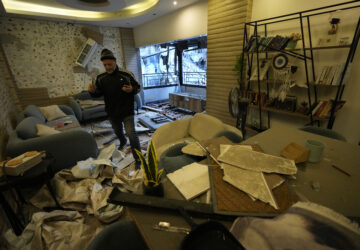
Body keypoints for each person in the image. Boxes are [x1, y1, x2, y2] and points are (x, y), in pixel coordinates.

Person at [88, 48, 141, 169]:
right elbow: (98, 94)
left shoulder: (126, 74)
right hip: (112, 111)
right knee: (117, 131)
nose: (107, 67)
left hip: (127, 110)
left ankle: (138, 159)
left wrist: (131, 90)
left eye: (109, 64)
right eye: (105, 65)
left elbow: (138, 88)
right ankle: (122, 142)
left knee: (131, 134)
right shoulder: (101, 77)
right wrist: (92, 92)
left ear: (115, 61)